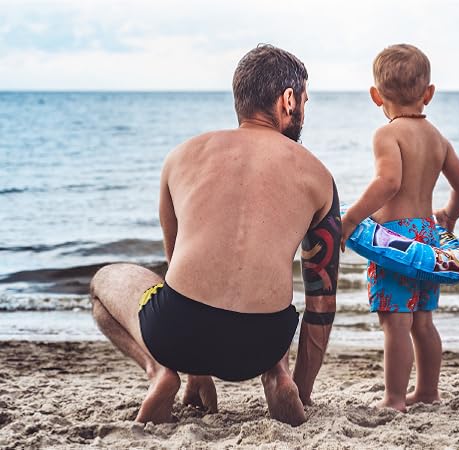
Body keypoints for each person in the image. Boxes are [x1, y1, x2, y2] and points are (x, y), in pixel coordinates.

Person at [90, 44, 340, 426]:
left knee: (103, 282)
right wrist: (302, 392)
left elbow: (178, 267)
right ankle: (278, 376)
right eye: (304, 101)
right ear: (288, 100)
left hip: (178, 332)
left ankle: (161, 372)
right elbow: (321, 302)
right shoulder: (319, 177)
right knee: (274, 288)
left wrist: (195, 370)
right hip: (261, 345)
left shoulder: (182, 156)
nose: (304, 112)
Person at [341, 44, 459, 412]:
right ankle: (428, 391)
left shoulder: (387, 134)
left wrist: (350, 220)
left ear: (375, 96)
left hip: (395, 242)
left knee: (395, 322)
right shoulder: (437, 139)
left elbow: (388, 182)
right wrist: (448, 215)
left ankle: (394, 399)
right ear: (428, 94)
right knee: (423, 321)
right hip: (428, 240)